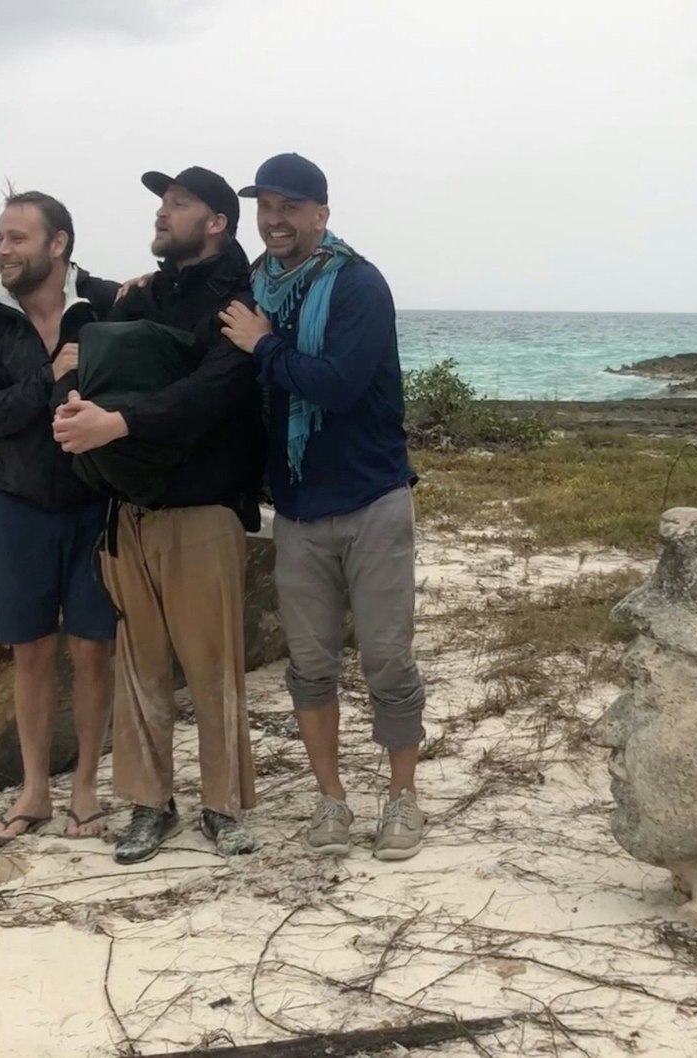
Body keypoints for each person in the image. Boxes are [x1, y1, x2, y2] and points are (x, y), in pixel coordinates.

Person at [53, 165, 265, 865]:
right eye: (162, 203)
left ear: (216, 223)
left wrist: (117, 424)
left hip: (203, 509)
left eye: (178, 205)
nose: (162, 214)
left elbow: (217, 390)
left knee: (213, 669)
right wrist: (74, 370)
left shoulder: (239, 298)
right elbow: (89, 329)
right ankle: (150, 806)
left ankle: (225, 807)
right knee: (139, 670)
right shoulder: (153, 290)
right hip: (131, 511)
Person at [217, 153, 427, 861]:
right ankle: (331, 801)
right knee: (309, 667)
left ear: (322, 214)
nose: (274, 220)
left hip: (372, 501)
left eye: (290, 207)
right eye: (264, 207)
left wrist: (264, 344)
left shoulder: (359, 285)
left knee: (387, 661)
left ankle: (402, 800)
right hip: (299, 512)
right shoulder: (255, 287)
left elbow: (334, 386)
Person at [0, 189, 120, 847]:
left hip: (94, 506)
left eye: (18, 237)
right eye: (0, 236)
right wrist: (47, 378)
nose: (4, 249)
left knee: (92, 649)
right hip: (17, 507)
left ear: (58, 244)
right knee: (31, 652)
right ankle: (34, 791)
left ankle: (84, 790)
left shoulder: (99, 309)